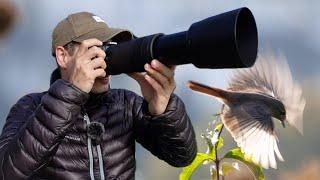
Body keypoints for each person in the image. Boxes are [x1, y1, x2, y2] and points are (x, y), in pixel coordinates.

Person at [0, 12, 197, 180]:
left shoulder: (125, 103)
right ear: (63, 56)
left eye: (110, 49)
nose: (104, 60)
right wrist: (70, 95)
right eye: (96, 50)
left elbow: (182, 157)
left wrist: (164, 108)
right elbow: (7, 172)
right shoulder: (31, 106)